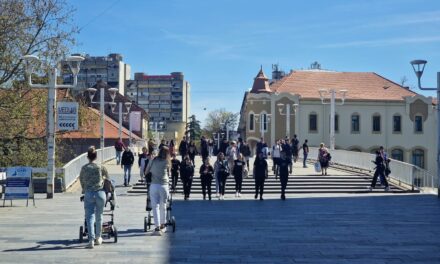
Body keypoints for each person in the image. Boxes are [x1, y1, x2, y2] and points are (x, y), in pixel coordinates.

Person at [79, 146, 108, 248]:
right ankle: (98, 238)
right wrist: (103, 178)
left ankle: (91, 240)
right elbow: (107, 177)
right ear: (96, 156)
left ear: (88, 156)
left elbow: (81, 179)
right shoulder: (100, 166)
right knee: (99, 216)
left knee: (90, 216)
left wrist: (84, 188)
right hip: (100, 193)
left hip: (89, 193)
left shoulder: (84, 168)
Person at [144, 146, 171, 235]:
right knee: (163, 206)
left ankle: (157, 227)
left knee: (155, 207)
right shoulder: (167, 161)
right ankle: (163, 225)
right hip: (164, 185)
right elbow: (169, 172)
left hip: (154, 185)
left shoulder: (153, 160)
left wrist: (151, 162)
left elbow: (146, 172)